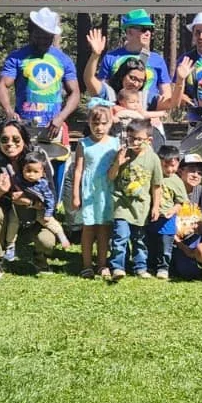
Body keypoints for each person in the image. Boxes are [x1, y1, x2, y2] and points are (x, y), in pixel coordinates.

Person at [0, 120, 59, 280]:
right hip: (8, 218)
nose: (10, 144)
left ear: (24, 140)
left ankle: (39, 258)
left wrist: (28, 202)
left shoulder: (37, 161)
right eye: (4, 139)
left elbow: (53, 201)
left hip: (35, 217)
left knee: (47, 241)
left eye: (16, 139)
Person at [0, 7, 81, 144]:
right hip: (24, 126)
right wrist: (9, 112)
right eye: (39, 36)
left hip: (53, 126)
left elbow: (75, 92)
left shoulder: (63, 60)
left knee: (55, 163)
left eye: (47, 37)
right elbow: (2, 84)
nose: (43, 41)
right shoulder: (17, 57)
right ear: (31, 33)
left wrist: (61, 117)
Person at [107, 118, 163, 281]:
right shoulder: (123, 154)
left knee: (139, 239)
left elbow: (156, 185)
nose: (134, 142)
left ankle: (140, 267)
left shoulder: (153, 159)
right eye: (130, 138)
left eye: (139, 139)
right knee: (120, 237)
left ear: (149, 140)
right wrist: (118, 163)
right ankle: (117, 267)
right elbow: (111, 177)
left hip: (141, 206)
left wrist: (156, 206)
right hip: (121, 204)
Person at [84, 8, 174, 111]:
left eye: (150, 29)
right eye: (144, 28)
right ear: (129, 31)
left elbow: (166, 97)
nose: (148, 33)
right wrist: (95, 55)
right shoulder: (111, 57)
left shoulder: (157, 59)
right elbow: (98, 91)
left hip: (147, 120)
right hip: (117, 116)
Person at [69, 100, 118, 279]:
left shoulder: (115, 143)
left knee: (104, 228)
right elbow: (78, 170)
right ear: (89, 123)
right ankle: (86, 264)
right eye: (95, 123)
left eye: (104, 123)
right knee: (88, 227)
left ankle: (102, 264)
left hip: (107, 190)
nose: (99, 127)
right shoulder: (83, 143)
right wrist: (75, 194)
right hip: (89, 191)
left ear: (111, 123)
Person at [9, 149, 69, 271]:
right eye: (28, 171)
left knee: (50, 222)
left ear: (42, 172)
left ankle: (61, 236)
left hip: (40, 210)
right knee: (12, 222)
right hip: (19, 209)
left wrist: (47, 213)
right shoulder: (19, 179)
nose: (31, 175)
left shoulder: (43, 184)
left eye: (35, 172)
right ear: (23, 169)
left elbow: (50, 200)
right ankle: (10, 246)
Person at [147, 146, 187, 280]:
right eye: (165, 165)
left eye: (173, 166)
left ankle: (163, 268)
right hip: (151, 217)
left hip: (168, 220)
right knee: (150, 242)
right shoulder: (152, 176)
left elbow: (181, 201)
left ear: (178, 164)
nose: (169, 169)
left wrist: (173, 210)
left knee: (165, 245)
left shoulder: (177, 181)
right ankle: (150, 265)